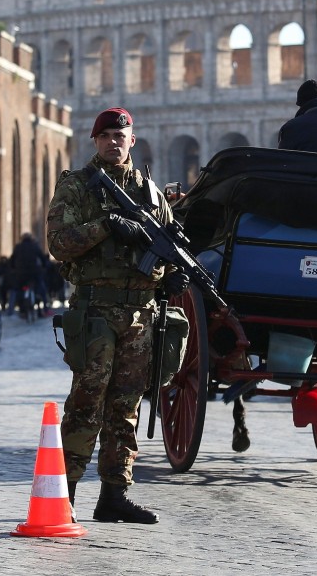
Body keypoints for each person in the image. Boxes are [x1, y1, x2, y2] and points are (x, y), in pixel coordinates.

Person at [46, 107, 190, 524]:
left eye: (120, 135)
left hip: (140, 315)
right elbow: (60, 242)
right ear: (95, 141)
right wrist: (107, 224)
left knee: (127, 406)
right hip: (95, 310)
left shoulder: (150, 193)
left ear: (132, 140)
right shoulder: (77, 186)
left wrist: (172, 278)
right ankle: (63, 494)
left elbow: (168, 249)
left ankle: (114, 495)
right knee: (87, 402)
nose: (113, 141)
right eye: (105, 134)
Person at [8, 232, 46, 318]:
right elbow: (42, 257)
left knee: (19, 290)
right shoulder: (34, 246)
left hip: (21, 273)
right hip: (34, 272)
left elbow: (12, 259)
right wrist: (44, 266)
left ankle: (22, 310)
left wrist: (12, 269)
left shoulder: (18, 247)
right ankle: (41, 309)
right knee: (39, 288)